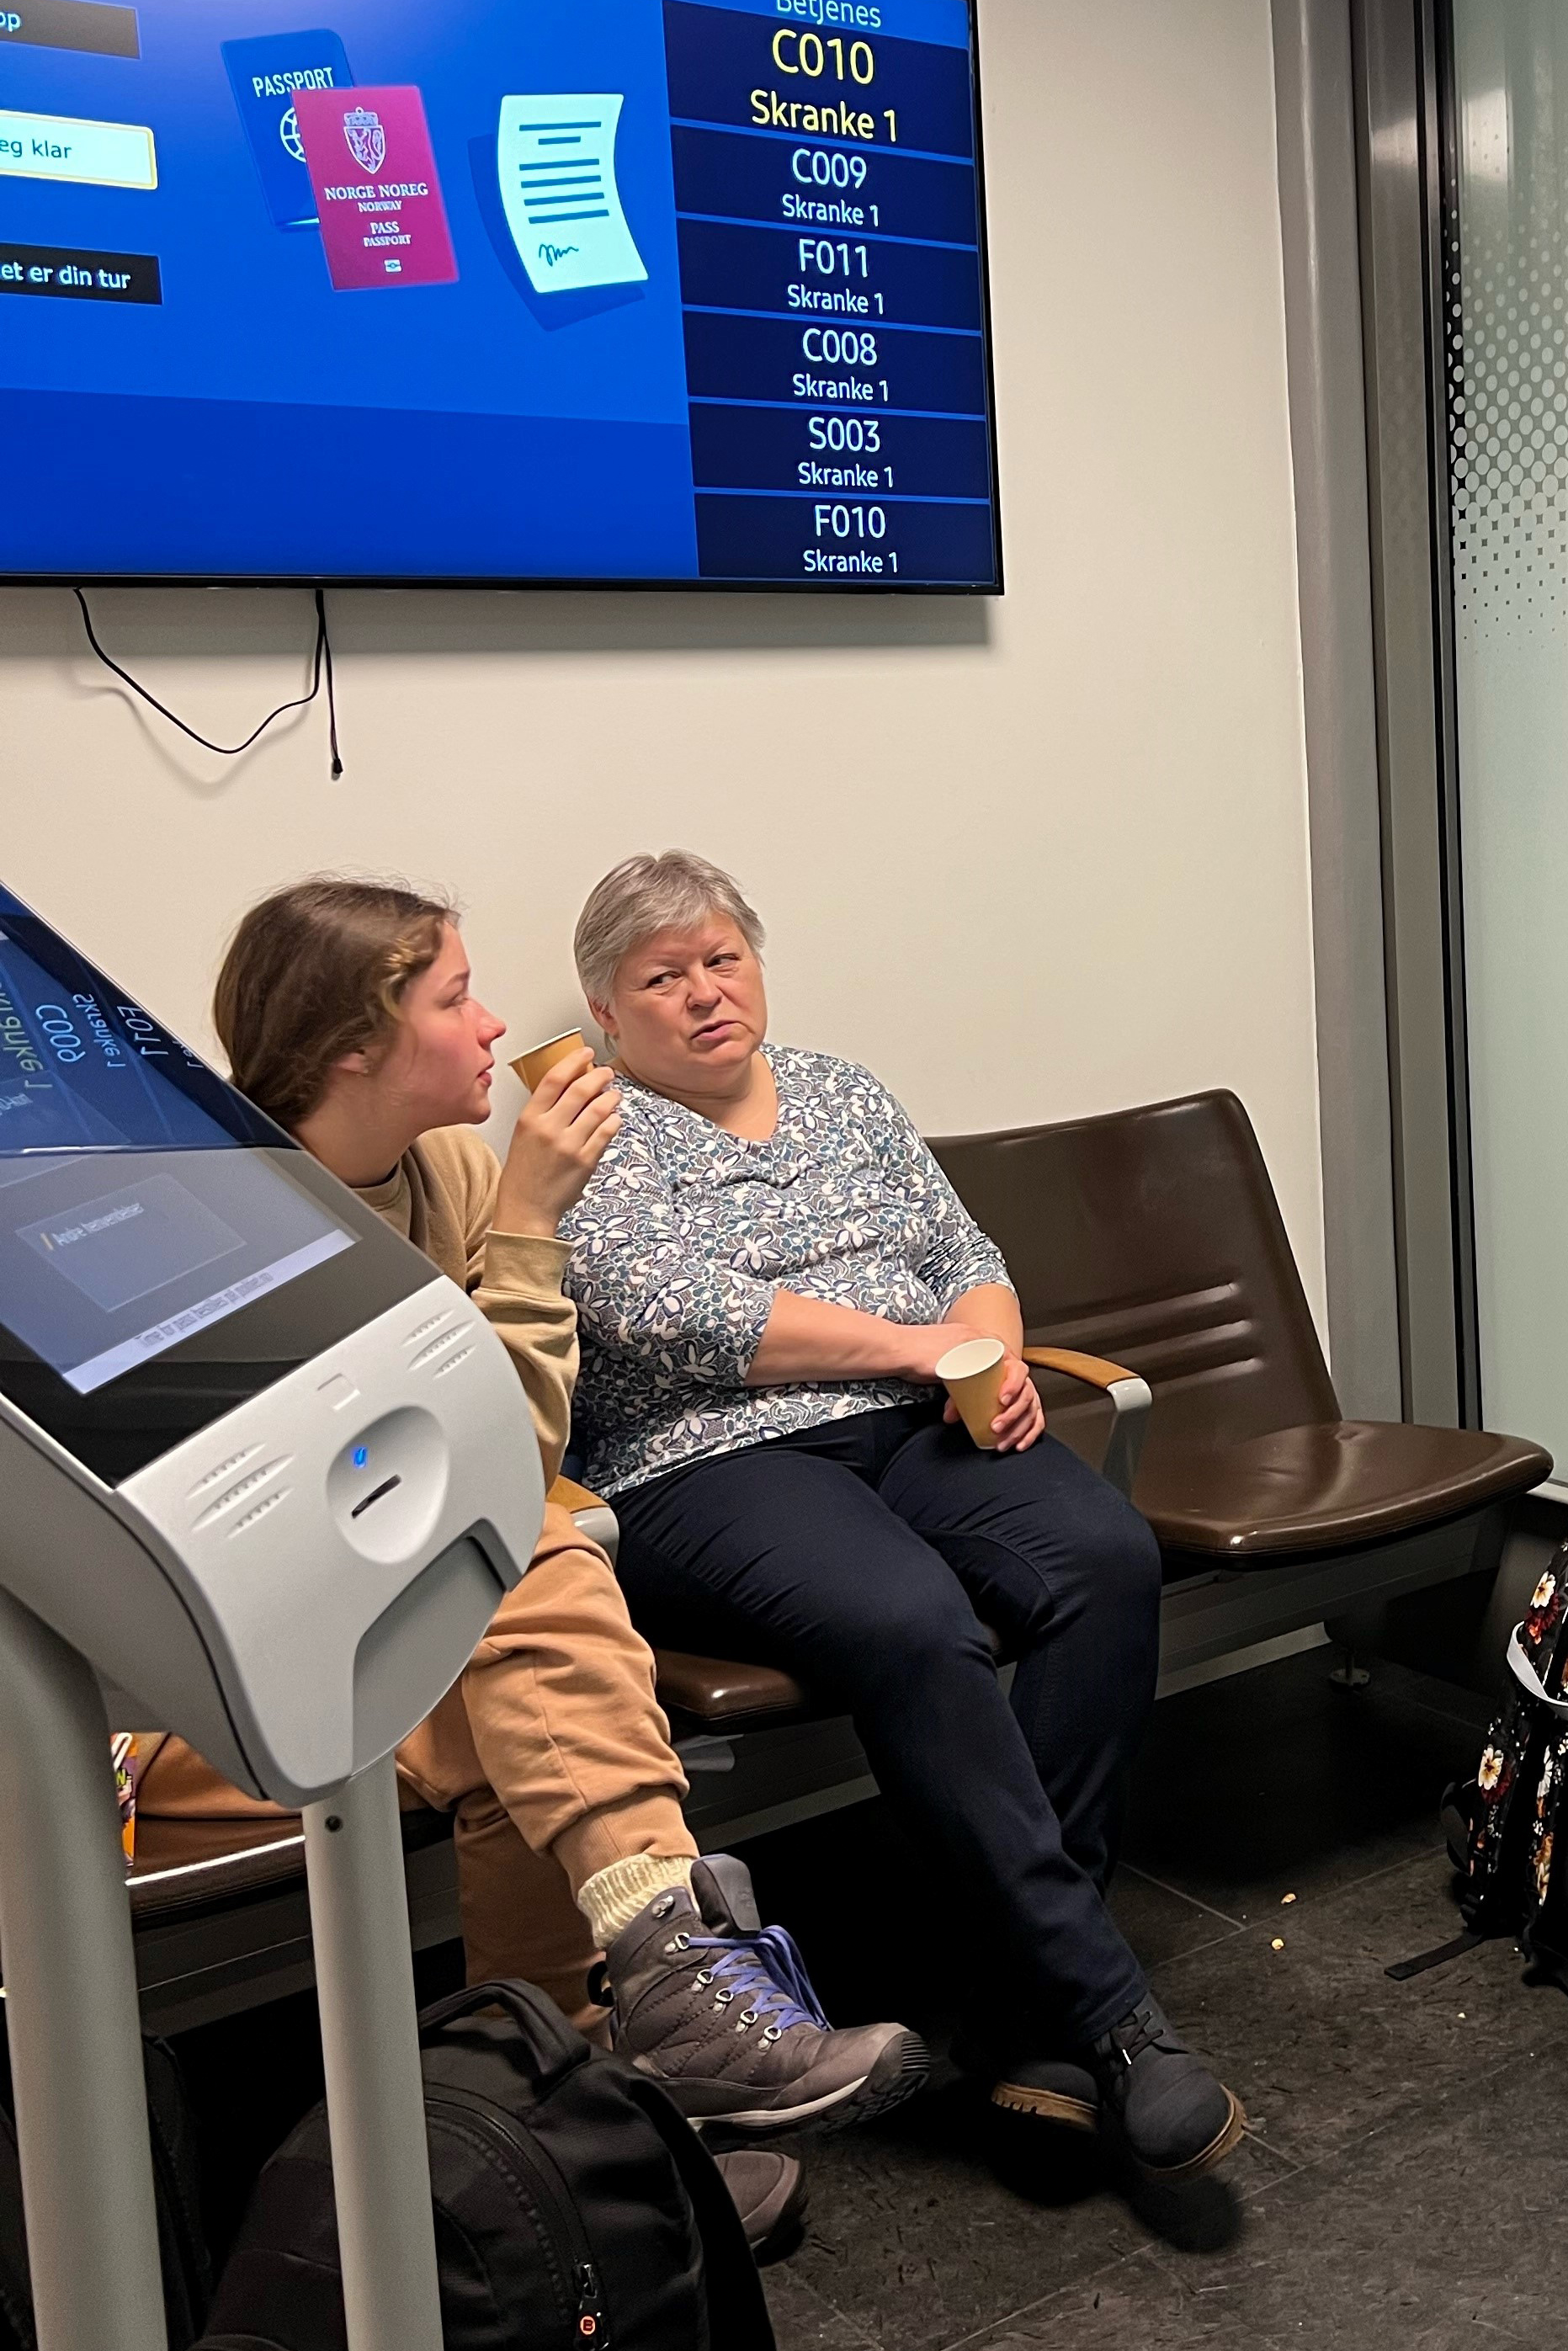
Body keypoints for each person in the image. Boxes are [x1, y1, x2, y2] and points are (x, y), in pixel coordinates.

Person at [205, 880, 928, 2205]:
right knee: (531, 1556)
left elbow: (494, 1456)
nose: (493, 1024)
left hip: (405, 1636)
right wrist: (534, 1230)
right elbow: (438, 1490)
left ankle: (583, 2134)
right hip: (224, 1668)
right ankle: (665, 1980)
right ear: (355, 1048)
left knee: (510, 1705)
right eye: (453, 998)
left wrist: (515, 1220)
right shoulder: (238, 1221)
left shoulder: (453, 1169)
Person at [556, 851, 1246, 2187]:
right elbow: (684, 1320)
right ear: (606, 1010)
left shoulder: (839, 1089)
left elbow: (965, 1258)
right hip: (709, 1462)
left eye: (723, 959)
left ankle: (1016, 2001)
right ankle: (1107, 2012)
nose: (704, 994)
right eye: (662, 977)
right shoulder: (592, 1134)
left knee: (1104, 1550)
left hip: (920, 1415)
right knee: (912, 1620)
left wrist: (987, 1360)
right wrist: (916, 1350)